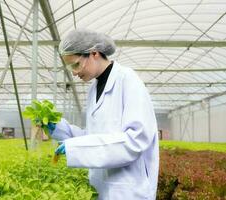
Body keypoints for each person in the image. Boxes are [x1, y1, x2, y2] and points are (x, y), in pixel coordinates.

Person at [48, 29, 159, 200]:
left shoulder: (127, 80)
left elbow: (135, 141)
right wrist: (60, 128)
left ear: (94, 53)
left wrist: (76, 148)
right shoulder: (94, 88)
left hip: (128, 191)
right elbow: (94, 136)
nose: (74, 73)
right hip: (102, 188)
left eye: (76, 64)